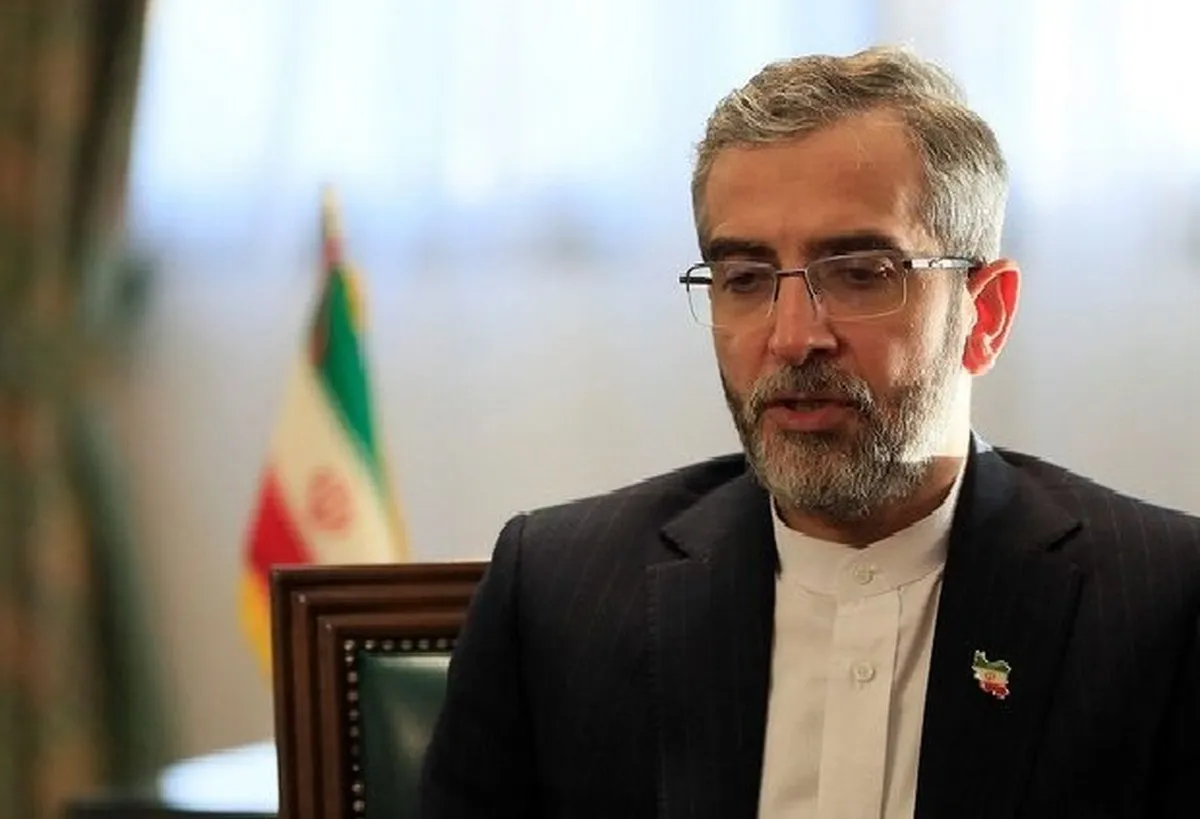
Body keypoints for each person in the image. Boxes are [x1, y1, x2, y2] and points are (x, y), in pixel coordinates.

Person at [418, 45, 1200, 818]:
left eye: (859, 273)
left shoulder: (1160, 604)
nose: (793, 337)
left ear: (984, 315)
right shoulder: (558, 595)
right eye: (745, 279)